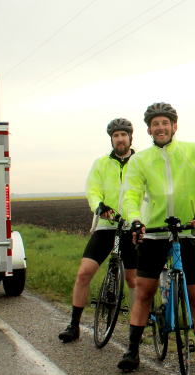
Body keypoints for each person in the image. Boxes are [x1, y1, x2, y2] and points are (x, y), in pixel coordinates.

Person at [117, 102, 195, 374]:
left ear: (175, 126)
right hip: (153, 234)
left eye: (165, 123)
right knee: (144, 292)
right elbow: (130, 195)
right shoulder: (140, 160)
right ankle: (132, 351)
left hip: (187, 232)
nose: (160, 128)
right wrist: (135, 220)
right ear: (149, 130)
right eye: (155, 124)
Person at [59, 118, 138, 342]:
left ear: (130, 137)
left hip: (132, 227)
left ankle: (135, 329)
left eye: (124, 135)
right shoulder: (101, 163)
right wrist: (99, 207)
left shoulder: (141, 162)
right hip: (106, 226)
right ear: (111, 139)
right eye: (116, 136)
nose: (120, 139)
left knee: (133, 281)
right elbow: (92, 189)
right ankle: (74, 325)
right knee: (84, 272)